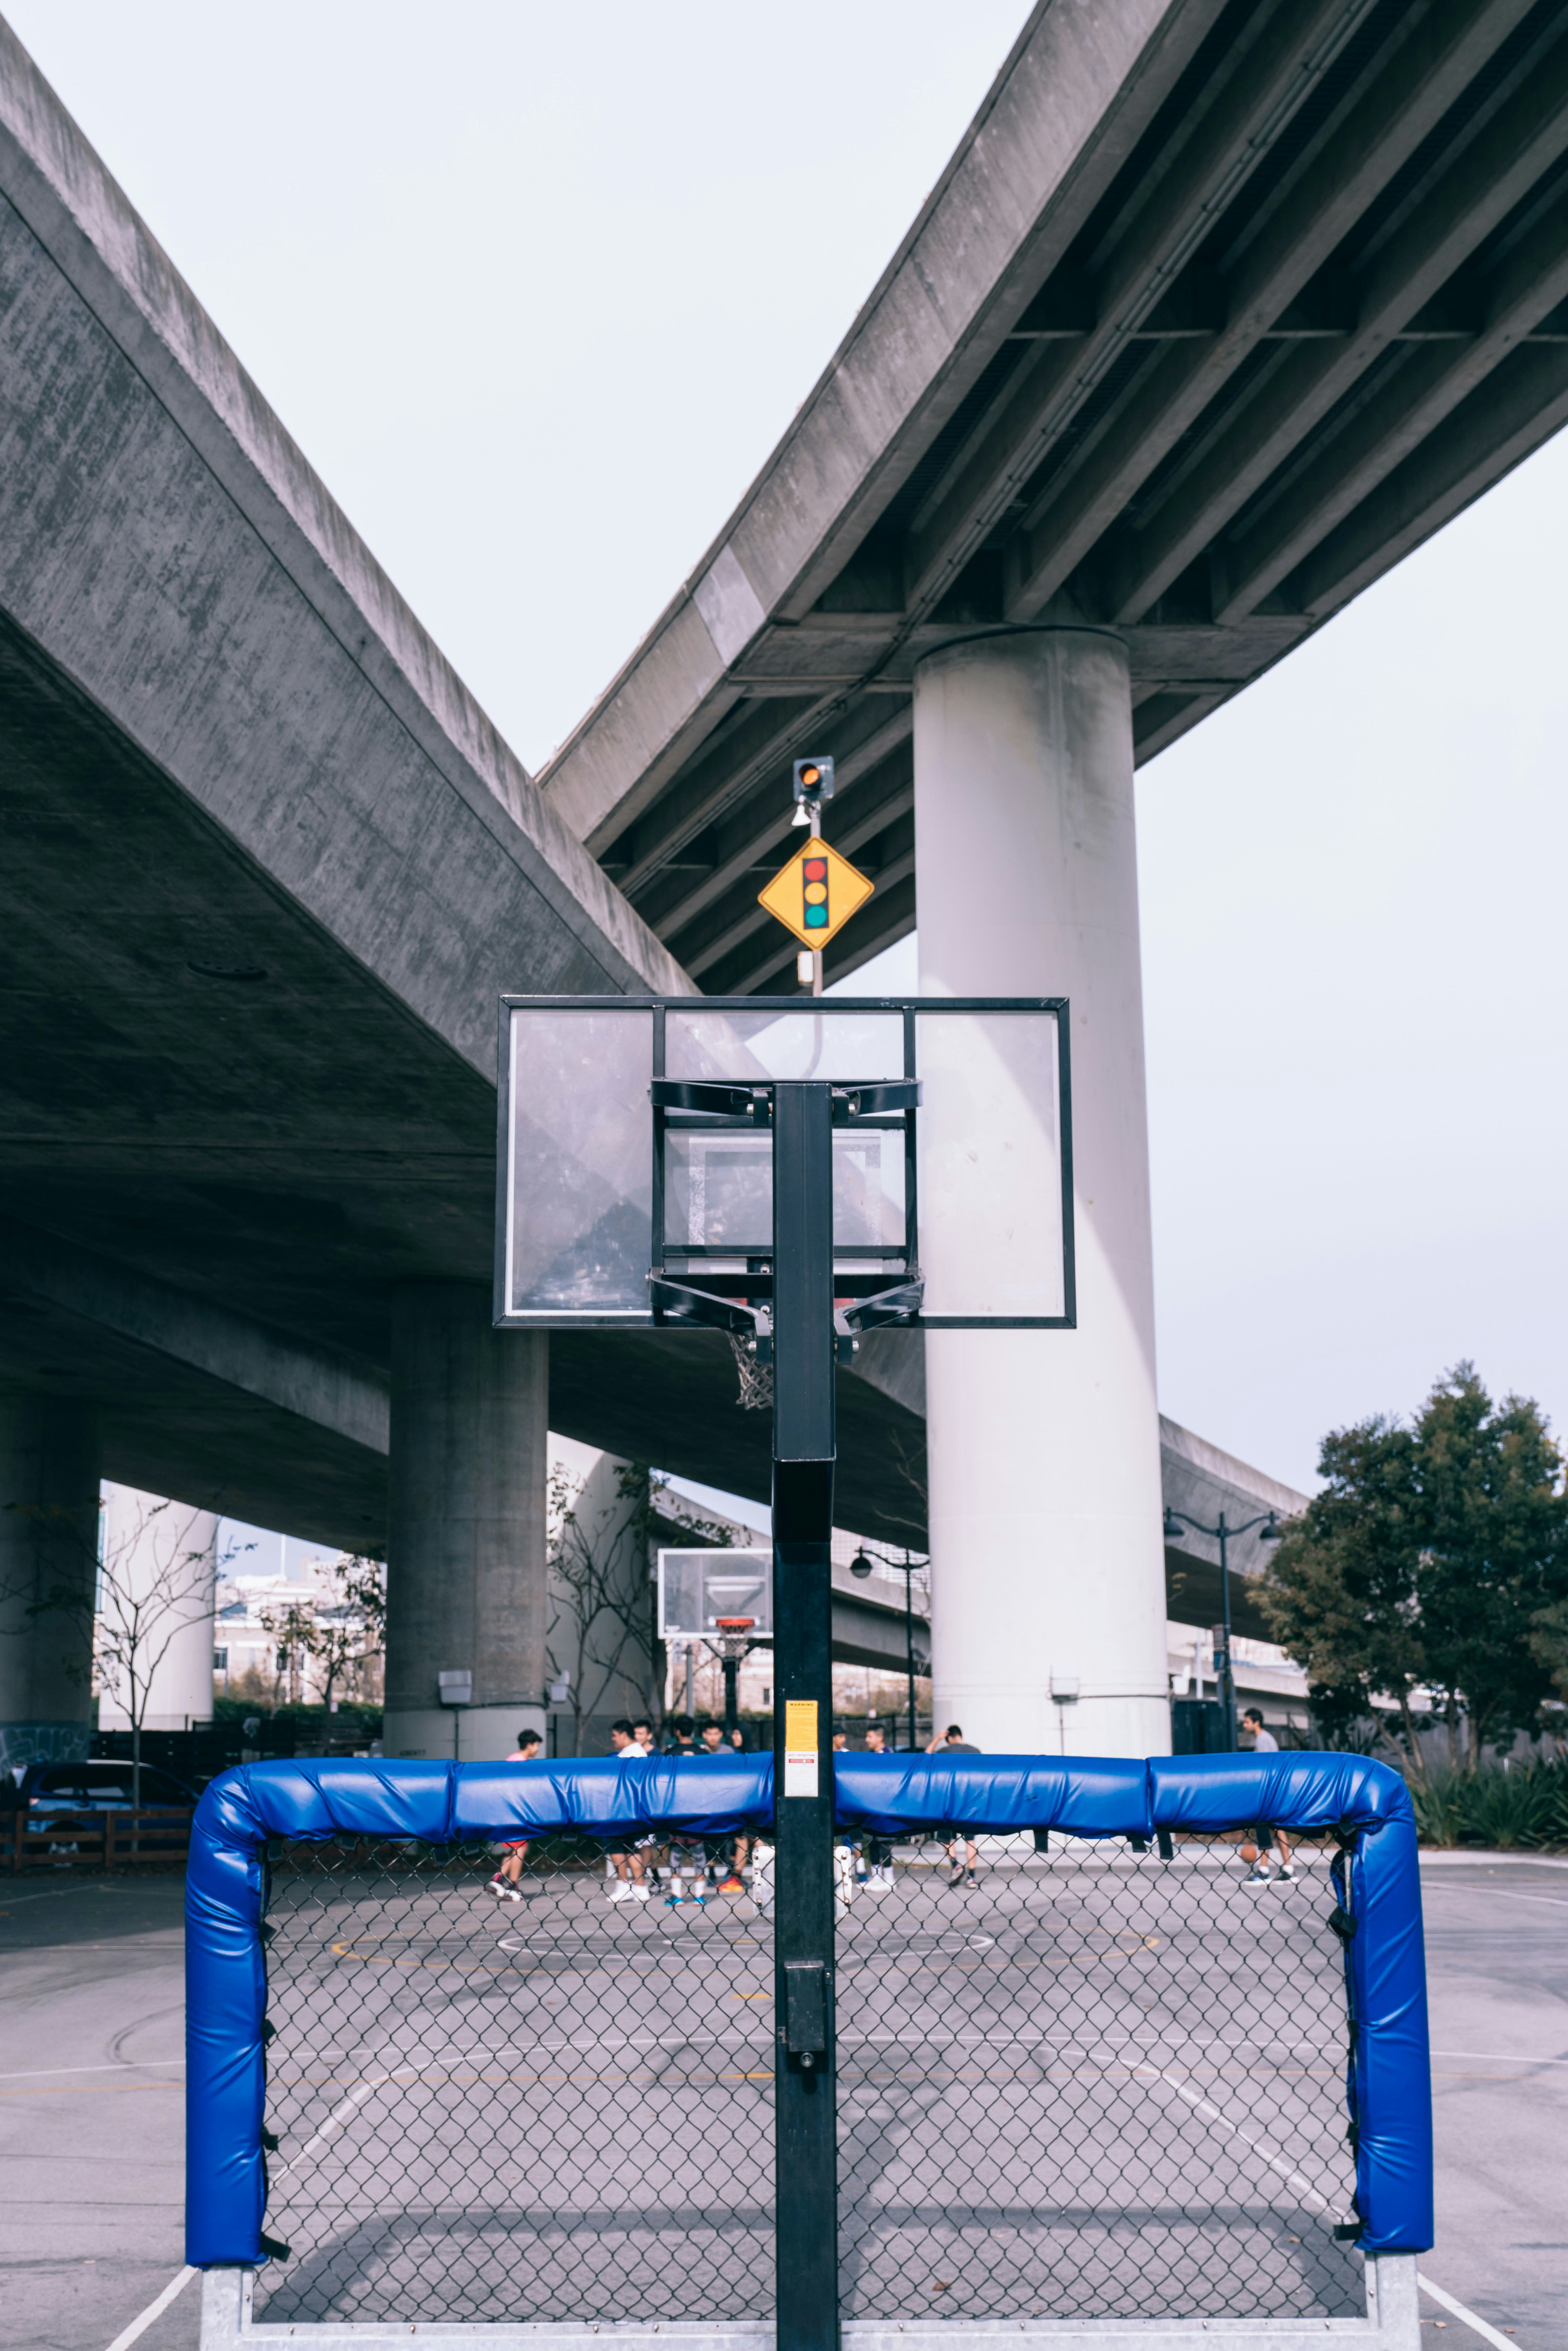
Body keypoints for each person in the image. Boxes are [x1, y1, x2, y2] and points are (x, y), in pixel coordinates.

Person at [486, 1728, 543, 1901]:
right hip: (516, 1811)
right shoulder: (520, 1762)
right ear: (530, 1745)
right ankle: (509, 1884)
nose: (538, 1749)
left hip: (509, 1811)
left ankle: (504, 1882)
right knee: (521, 1848)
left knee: (515, 1849)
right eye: (537, 1745)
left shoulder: (513, 1760)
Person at [1238, 1710, 1294, 1885]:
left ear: (1257, 1723)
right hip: (1274, 1791)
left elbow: (1264, 1769)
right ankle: (1289, 1870)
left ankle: (1264, 1872)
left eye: (1247, 1722)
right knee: (1277, 1830)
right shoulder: (1265, 1738)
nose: (1244, 1725)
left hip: (1268, 1792)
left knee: (1264, 1828)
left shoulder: (1263, 1739)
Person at [927, 1723, 981, 1889]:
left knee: (947, 1837)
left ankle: (955, 1864)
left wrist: (937, 1739)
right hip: (970, 1801)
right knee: (970, 1840)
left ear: (949, 1737)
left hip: (949, 1800)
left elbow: (926, 1757)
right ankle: (971, 1878)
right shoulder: (976, 1752)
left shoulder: (945, 1752)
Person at [606, 1719, 651, 1901]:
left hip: (623, 1808)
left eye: (615, 1736)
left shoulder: (629, 1754)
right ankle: (640, 1888)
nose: (613, 1740)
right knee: (631, 1846)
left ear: (624, 1735)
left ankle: (623, 1885)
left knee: (616, 1843)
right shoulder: (638, 1752)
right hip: (634, 1809)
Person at [861, 1724, 894, 1890]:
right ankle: (876, 1877)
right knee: (873, 1841)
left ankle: (889, 1878)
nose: (867, 1740)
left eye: (870, 1737)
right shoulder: (870, 1756)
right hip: (872, 1805)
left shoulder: (888, 1754)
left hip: (885, 1806)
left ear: (879, 1738)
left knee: (884, 1841)